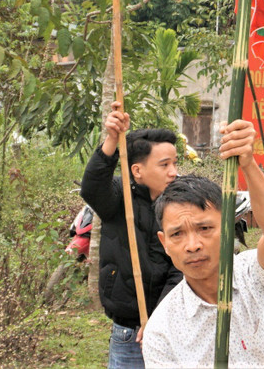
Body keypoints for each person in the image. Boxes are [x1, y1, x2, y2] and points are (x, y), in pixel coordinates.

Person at [140, 118, 264, 369]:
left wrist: (248, 164)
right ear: (164, 242)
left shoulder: (257, 274)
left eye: (205, 228)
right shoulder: (161, 332)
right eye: (177, 234)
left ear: (227, 228)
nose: (193, 245)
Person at [81, 102, 183, 369]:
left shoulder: (180, 204)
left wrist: (159, 317)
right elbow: (92, 188)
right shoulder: (119, 196)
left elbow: (181, 267)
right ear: (137, 171)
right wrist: (112, 138)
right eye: (164, 165)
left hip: (171, 325)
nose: (173, 171)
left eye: (175, 163)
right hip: (129, 332)